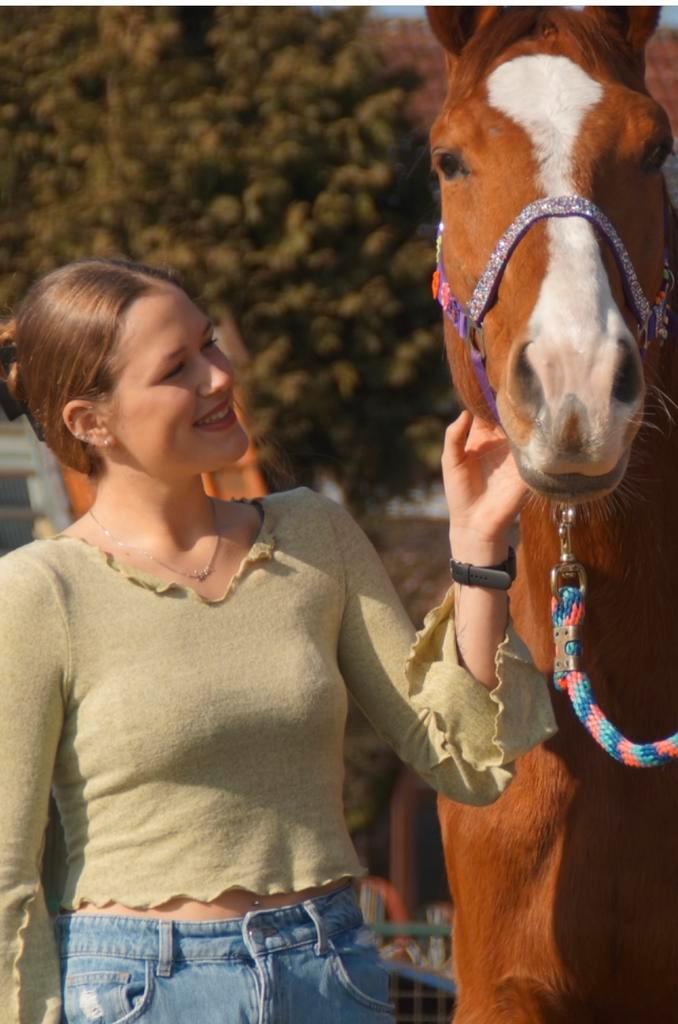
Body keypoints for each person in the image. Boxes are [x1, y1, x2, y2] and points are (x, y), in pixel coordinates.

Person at [0, 258, 556, 1024]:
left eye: (211, 344)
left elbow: (461, 758)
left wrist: (478, 545)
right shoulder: (38, 591)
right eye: (177, 368)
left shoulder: (314, 533)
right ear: (90, 423)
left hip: (328, 972)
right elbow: (7, 875)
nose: (219, 377)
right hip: (140, 991)